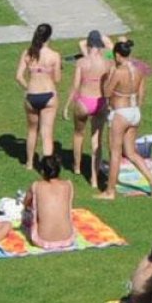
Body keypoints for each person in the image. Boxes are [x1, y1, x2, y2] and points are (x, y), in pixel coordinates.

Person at [97, 40, 152, 199]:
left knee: (115, 153)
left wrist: (106, 79)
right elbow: (141, 93)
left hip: (121, 113)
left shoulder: (118, 72)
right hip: (134, 111)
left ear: (117, 55)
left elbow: (107, 93)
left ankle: (110, 191)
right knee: (131, 152)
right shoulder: (138, 70)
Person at [67, 30, 111, 187]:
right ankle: (94, 177)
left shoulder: (82, 62)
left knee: (78, 134)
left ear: (88, 44)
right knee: (96, 139)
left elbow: (75, 86)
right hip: (100, 101)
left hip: (84, 101)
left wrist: (66, 106)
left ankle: (77, 167)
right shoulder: (107, 62)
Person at [17, 23, 61, 170]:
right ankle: (47, 167)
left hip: (32, 95)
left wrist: (28, 87)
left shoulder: (28, 53)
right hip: (48, 95)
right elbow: (57, 79)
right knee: (47, 133)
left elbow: (19, 76)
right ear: (49, 36)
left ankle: (29, 163)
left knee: (31, 130)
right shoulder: (54, 55)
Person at [23, 155, 75, 250]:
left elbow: (26, 203)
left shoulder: (36, 186)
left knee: (28, 216)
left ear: (42, 171)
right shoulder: (68, 185)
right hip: (68, 238)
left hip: (43, 240)